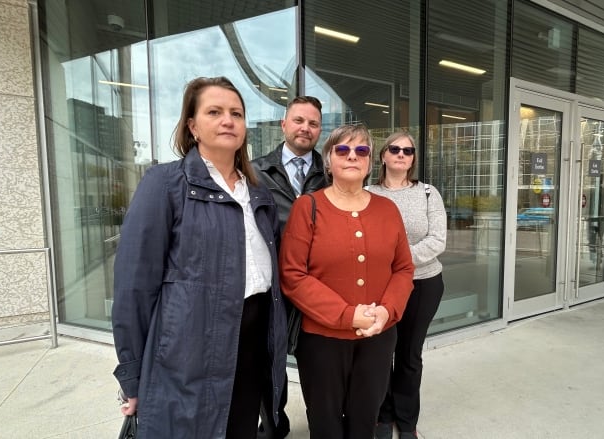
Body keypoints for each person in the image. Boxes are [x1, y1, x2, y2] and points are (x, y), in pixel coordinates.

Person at [111, 76, 287, 439]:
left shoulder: (257, 193)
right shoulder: (165, 184)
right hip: (189, 348)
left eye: (236, 113)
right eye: (215, 112)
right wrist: (131, 372)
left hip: (253, 341)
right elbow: (134, 287)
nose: (228, 120)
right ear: (192, 126)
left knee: (240, 428)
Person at [280, 124, 415, 439]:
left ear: (370, 161)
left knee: (364, 419)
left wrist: (387, 311)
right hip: (322, 341)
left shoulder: (387, 209)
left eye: (361, 150)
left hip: (377, 338)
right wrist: (346, 315)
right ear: (329, 160)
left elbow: (403, 268)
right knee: (325, 423)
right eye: (342, 150)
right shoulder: (307, 207)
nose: (352, 156)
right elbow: (293, 274)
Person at [251, 95, 328, 438]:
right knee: (270, 364)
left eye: (312, 123)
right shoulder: (254, 171)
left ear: (319, 130)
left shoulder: (330, 173)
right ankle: (273, 427)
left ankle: (325, 424)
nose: (305, 128)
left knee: (320, 363)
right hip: (272, 287)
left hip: (317, 285)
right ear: (284, 125)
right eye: (298, 120)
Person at [368, 131, 447, 439]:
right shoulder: (367, 192)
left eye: (408, 151)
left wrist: (398, 262)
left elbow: (437, 240)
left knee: (409, 355)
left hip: (422, 284)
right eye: (395, 149)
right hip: (378, 287)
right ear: (383, 155)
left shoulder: (428, 193)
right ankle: (382, 416)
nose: (402, 154)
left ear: (413, 159)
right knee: (378, 354)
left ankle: (406, 419)